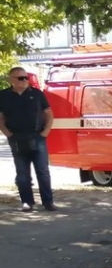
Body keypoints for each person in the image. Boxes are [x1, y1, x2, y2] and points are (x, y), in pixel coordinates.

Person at [0, 68, 56, 212]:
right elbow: (1, 117)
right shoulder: (4, 96)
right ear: (11, 79)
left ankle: (48, 202)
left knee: (42, 171)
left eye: (26, 78)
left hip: (37, 137)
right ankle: (27, 202)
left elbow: (49, 114)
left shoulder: (37, 94)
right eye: (20, 78)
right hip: (17, 138)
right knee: (22, 173)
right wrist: (7, 133)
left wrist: (45, 132)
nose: (25, 80)